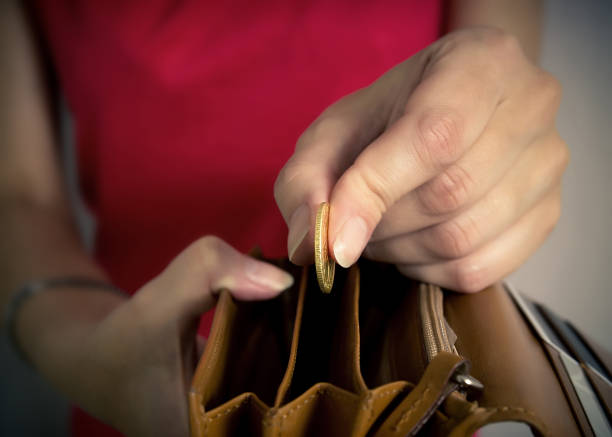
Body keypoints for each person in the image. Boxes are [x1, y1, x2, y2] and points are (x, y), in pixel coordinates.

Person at [0, 0, 567, 436]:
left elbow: (493, 87)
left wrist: (487, 169)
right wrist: (83, 352)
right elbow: (17, 196)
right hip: (133, 378)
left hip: (402, 392)